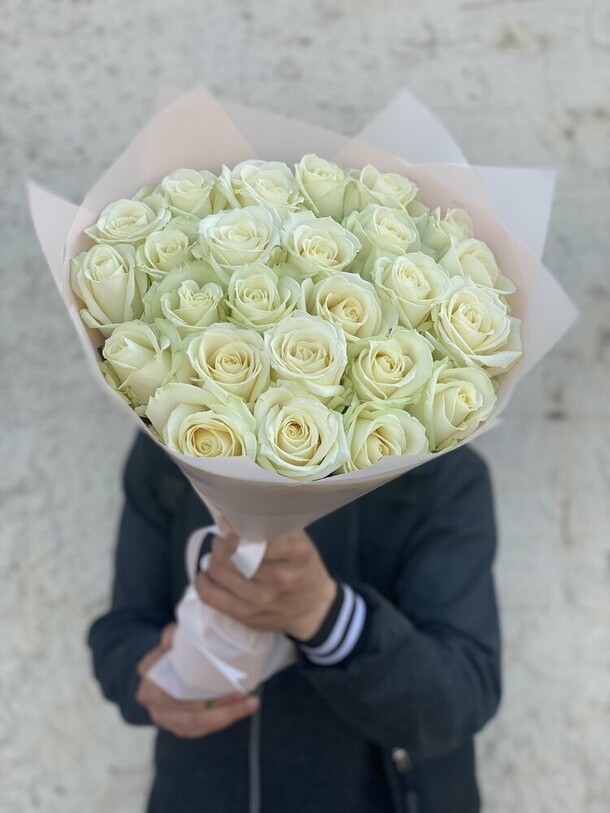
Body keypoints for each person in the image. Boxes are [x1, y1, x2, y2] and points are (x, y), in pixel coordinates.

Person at [88, 430, 501, 813]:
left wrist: (324, 615)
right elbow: (122, 635)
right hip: (200, 792)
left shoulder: (439, 472)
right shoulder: (178, 443)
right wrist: (151, 679)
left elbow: (462, 693)